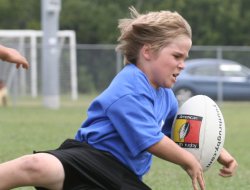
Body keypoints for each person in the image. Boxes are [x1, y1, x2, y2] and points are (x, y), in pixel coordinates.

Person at [0, 7, 237, 190]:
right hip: (90, 158)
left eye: (185, 57)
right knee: (37, 165)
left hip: (122, 176)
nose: (182, 65)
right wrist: (188, 160)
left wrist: (216, 151)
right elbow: (150, 139)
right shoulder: (129, 86)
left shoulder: (166, 96)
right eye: (176, 55)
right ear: (148, 51)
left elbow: (180, 132)